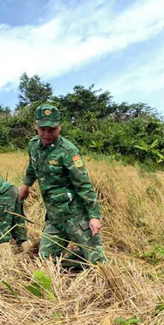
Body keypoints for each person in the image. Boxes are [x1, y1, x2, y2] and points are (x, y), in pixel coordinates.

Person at [17, 103, 105, 269]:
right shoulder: (33, 146)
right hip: (55, 217)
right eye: (43, 128)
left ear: (59, 128)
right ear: (35, 126)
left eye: (52, 129)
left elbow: (84, 185)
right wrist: (26, 185)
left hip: (76, 216)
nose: (47, 133)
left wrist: (94, 216)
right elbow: (32, 166)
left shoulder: (68, 151)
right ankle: (77, 259)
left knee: (99, 264)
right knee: (46, 262)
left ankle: (88, 257)